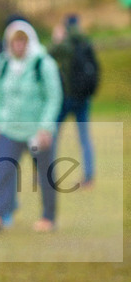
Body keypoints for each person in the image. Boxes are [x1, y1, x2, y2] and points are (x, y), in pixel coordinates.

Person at [0, 18, 63, 233]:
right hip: (9, 128)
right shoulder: (3, 63)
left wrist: (46, 128)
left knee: (44, 174)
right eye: (14, 42)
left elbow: (54, 97)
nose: (18, 46)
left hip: (36, 130)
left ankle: (48, 217)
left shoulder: (42, 63)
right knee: (4, 170)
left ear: (29, 41)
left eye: (22, 42)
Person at [49, 13, 100, 188]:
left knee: (53, 136)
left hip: (66, 98)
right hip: (84, 98)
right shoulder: (85, 42)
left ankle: (50, 175)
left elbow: (48, 55)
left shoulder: (65, 44)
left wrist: (57, 39)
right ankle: (89, 176)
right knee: (85, 138)